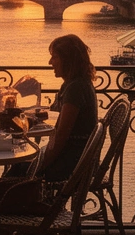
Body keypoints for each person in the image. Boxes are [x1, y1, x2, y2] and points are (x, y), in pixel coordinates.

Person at [28, 35, 98, 183]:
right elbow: (57, 117)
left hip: (73, 163)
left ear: (67, 60)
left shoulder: (75, 88)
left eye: (54, 57)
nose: (50, 62)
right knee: (21, 166)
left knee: (18, 170)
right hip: (77, 157)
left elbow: (61, 136)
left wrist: (39, 166)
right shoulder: (74, 84)